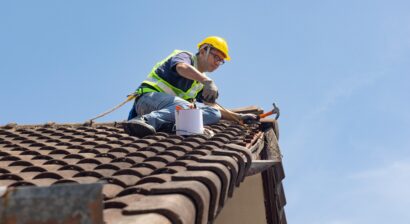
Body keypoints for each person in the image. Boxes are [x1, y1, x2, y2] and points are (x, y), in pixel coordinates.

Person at [124, 36, 257, 137]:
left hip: (170, 111)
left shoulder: (198, 83)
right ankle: (145, 121)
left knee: (214, 113)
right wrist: (207, 81)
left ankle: (171, 126)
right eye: (216, 56)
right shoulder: (185, 57)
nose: (217, 62)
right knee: (185, 108)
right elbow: (181, 67)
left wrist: (238, 117)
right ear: (204, 49)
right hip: (147, 101)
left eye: (221, 61)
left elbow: (212, 106)